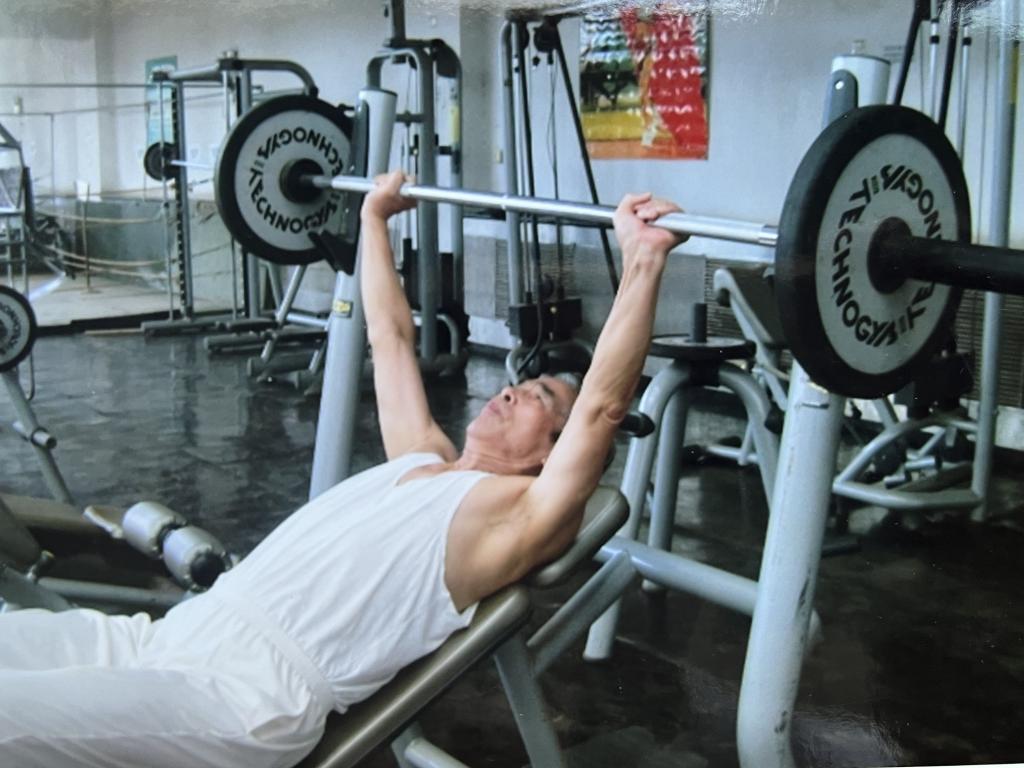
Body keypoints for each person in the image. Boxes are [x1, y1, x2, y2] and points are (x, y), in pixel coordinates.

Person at [0, 172, 686, 768]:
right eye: (520, 383)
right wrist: (373, 220)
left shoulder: (508, 518)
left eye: (539, 398)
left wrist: (643, 260)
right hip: (165, 637)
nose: (511, 391)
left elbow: (602, 407)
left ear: (550, 454)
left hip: (237, 697)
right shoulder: (421, 458)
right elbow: (389, 337)